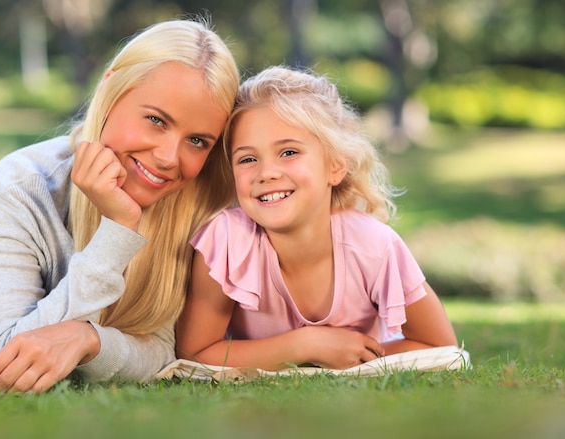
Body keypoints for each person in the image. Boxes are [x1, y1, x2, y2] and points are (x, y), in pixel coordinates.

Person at [0, 17, 239, 393]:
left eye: (197, 141)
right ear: (111, 89)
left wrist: (88, 341)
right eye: (156, 120)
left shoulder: (204, 205)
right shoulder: (19, 186)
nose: (167, 158)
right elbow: (11, 354)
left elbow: (165, 351)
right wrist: (119, 228)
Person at [175, 66, 458, 371]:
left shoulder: (373, 246)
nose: (266, 172)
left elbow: (440, 346)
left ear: (335, 166)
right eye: (248, 159)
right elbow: (195, 352)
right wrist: (305, 345)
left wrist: (353, 357)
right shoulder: (228, 241)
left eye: (288, 152)